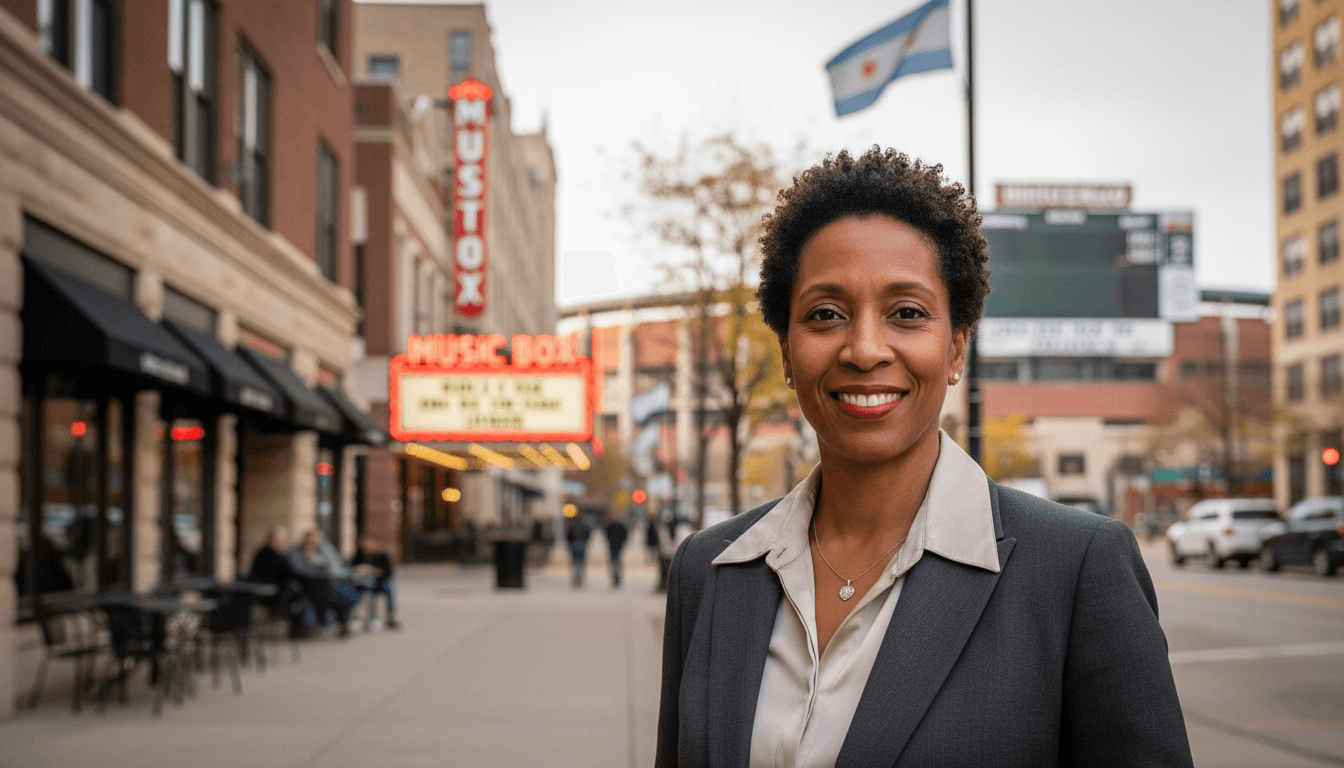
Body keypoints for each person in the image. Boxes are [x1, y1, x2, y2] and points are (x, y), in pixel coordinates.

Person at [655, 147, 1193, 767]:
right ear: (786, 351)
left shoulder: (1076, 571)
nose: (864, 349)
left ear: (957, 347)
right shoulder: (709, 570)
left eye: (906, 313)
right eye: (825, 314)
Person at [287, 530, 358, 637]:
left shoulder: (323, 551)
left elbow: (336, 567)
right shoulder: (295, 553)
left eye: (314, 542)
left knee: (345, 592)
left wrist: (320, 558)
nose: (311, 544)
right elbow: (301, 572)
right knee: (337, 593)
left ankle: (341, 622)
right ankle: (329, 621)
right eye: (308, 541)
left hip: (325, 587)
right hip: (307, 589)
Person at [247, 527, 313, 637]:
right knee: (302, 597)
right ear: (278, 541)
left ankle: (302, 628)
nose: (285, 544)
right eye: (284, 541)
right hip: (273, 596)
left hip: (267, 593)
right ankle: (302, 629)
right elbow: (291, 572)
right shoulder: (273, 555)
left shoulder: (262, 552)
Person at [351, 535, 399, 630]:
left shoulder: (383, 555)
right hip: (364, 583)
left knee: (390, 587)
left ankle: (390, 617)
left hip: (380, 583)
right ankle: (357, 617)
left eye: (369, 543)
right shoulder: (359, 554)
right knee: (360, 586)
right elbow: (352, 567)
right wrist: (360, 570)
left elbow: (389, 573)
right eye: (365, 543)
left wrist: (374, 571)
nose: (367, 546)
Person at [565, 513, 590, 588]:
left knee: (575, 563)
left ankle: (577, 579)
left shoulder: (572, 526)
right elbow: (588, 535)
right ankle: (579, 579)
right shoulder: (584, 526)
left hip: (575, 545)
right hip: (581, 545)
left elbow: (568, 536)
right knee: (580, 563)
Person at [604, 513, 629, 588]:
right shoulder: (612, 526)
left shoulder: (613, 526)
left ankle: (617, 578)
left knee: (615, 563)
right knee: (616, 563)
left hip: (616, 546)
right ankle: (616, 578)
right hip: (615, 546)